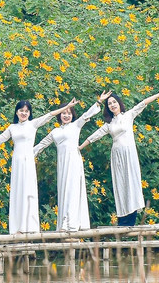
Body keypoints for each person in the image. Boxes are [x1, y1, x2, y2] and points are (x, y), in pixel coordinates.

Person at [0, 98, 78, 234]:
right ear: (17, 112)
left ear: (29, 113)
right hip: (17, 163)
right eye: (21, 110)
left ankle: (29, 227)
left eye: (26, 111)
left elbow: (50, 115)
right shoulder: (12, 128)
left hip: (28, 162)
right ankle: (18, 227)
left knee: (28, 192)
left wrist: (66, 106)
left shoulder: (33, 124)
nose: (24, 113)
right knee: (18, 192)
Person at [80, 86, 159, 227]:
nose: (112, 105)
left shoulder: (128, 115)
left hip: (129, 154)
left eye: (114, 102)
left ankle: (131, 220)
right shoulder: (109, 124)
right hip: (117, 156)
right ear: (108, 108)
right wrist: (80, 147)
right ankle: (122, 220)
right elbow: (95, 136)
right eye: (109, 104)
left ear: (119, 103)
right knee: (120, 185)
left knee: (131, 183)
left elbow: (143, 103)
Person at [33, 91, 109, 231]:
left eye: (69, 113)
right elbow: (41, 145)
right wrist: (26, 154)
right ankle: (64, 222)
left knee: (72, 190)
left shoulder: (76, 126)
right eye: (63, 113)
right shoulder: (55, 132)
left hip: (73, 162)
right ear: (59, 115)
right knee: (63, 191)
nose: (66, 115)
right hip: (62, 164)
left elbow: (86, 115)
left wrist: (99, 101)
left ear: (72, 115)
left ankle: (71, 224)